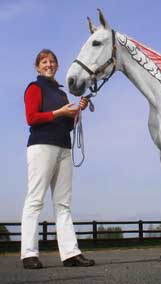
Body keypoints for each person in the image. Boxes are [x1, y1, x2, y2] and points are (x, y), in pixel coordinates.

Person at [21, 49, 95, 269]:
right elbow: (31, 118)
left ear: (57, 66)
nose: (49, 64)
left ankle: (71, 254)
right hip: (41, 146)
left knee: (63, 203)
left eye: (52, 61)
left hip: (63, 147)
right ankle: (29, 253)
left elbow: (68, 126)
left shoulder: (62, 94)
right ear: (37, 67)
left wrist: (76, 113)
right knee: (35, 200)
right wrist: (60, 113)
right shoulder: (34, 88)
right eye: (44, 61)